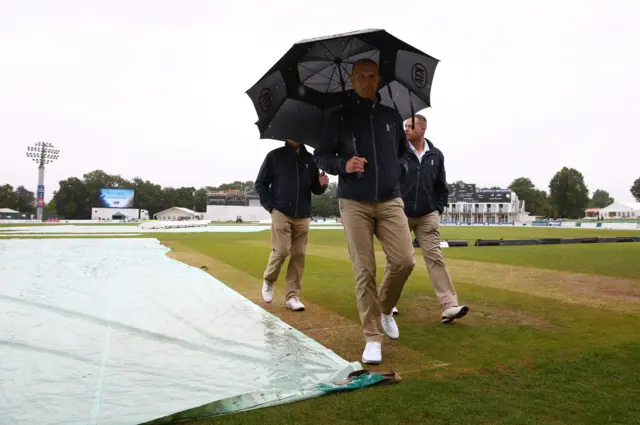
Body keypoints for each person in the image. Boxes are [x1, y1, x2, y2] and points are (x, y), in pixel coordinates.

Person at [314, 58, 416, 365]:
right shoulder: (339, 116)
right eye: (360, 76)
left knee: (405, 261)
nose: (366, 81)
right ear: (352, 79)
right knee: (364, 269)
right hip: (354, 201)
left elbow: (404, 154)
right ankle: (372, 337)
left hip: (389, 199)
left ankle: (384, 309)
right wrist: (343, 165)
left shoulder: (391, 116)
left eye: (371, 76)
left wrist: (399, 170)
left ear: (378, 79)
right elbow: (322, 155)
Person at [396, 114, 469, 323]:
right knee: (398, 261)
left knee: (435, 258)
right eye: (405, 126)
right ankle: (388, 301)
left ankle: (449, 306)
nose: (406, 130)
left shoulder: (436, 155)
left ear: (422, 130)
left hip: (428, 214)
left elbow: (441, 186)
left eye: (410, 126)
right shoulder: (398, 152)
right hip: (401, 212)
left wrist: (438, 209)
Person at [255, 139, 329, 311]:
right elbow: (261, 183)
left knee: (299, 254)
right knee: (281, 251)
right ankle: (269, 280)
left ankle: (292, 296)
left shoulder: (310, 159)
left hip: (303, 213)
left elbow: (315, 188)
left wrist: (322, 184)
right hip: (280, 210)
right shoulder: (274, 156)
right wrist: (270, 206)